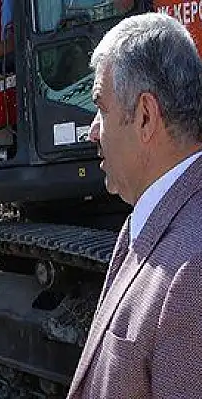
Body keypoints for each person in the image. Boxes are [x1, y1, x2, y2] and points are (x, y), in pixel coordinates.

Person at [67, 13, 202, 398]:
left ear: (145, 117)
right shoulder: (148, 223)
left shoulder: (193, 271)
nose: (92, 130)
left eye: (101, 108)